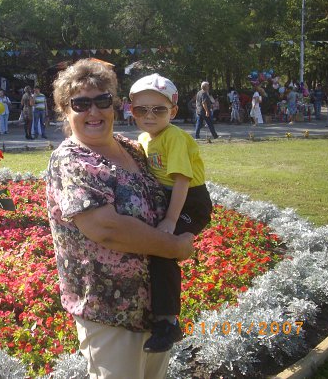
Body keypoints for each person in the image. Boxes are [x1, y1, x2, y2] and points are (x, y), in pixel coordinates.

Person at [46, 59, 195, 379]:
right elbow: (107, 228)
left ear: (114, 105)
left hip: (155, 311)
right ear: (65, 110)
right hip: (109, 312)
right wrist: (174, 247)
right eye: (81, 104)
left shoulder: (134, 149)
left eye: (102, 101)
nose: (94, 111)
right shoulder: (71, 159)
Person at [129, 74, 212, 353]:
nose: (149, 116)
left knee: (163, 249)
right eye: (141, 109)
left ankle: (168, 323)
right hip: (169, 199)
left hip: (190, 202)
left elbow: (182, 181)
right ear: (131, 111)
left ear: (173, 112)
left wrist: (171, 220)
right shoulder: (144, 137)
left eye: (159, 109)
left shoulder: (174, 137)